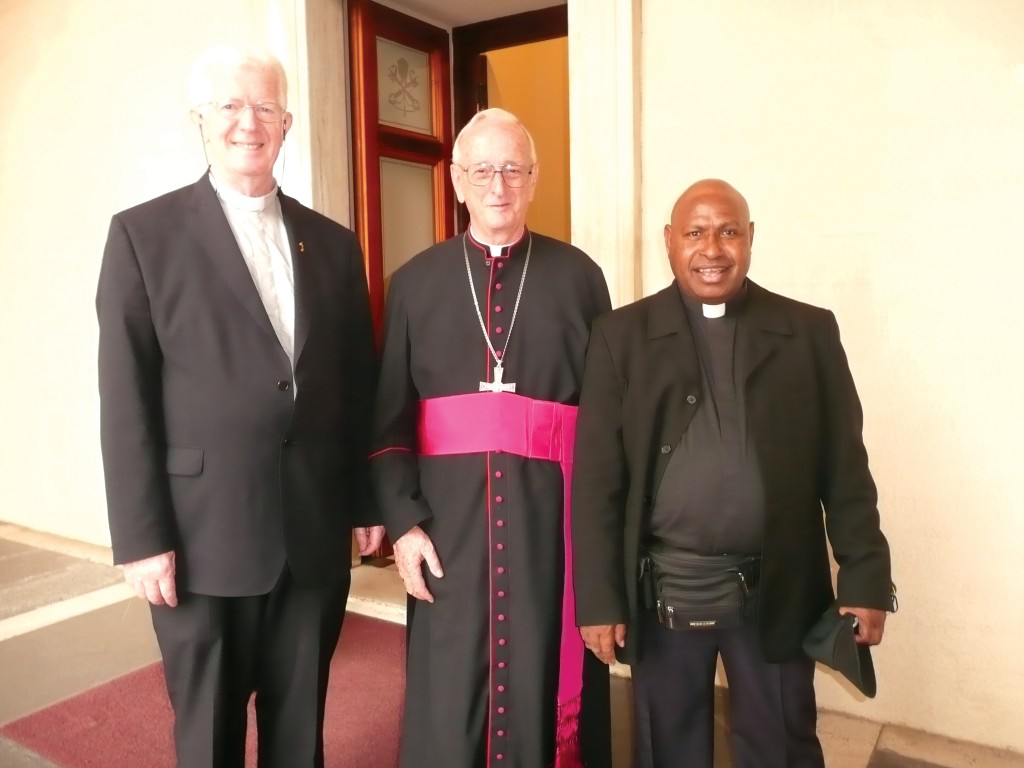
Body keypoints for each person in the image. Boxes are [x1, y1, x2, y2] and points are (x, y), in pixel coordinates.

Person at [96, 45, 382, 768]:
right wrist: (139, 537)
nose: (246, 122)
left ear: (286, 122)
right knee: (209, 736)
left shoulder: (337, 246)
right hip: (201, 539)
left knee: (298, 734)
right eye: (229, 105)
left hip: (311, 534)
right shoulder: (143, 236)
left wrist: (365, 499)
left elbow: (355, 388)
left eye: (263, 107)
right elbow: (124, 395)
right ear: (200, 120)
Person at [571, 179, 894, 767]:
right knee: (667, 749)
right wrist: (598, 599)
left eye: (728, 231)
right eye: (695, 233)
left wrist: (866, 581)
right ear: (669, 241)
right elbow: (597, 483)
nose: (712, 248)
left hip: (777, 588)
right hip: (662, 589)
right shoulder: (620, 337)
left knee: (781, 747)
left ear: (750, 239)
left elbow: (846, 468)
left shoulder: (808, 332)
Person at [371, 108, 613, 768]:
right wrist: (404, 526)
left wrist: (599, 544)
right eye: (481, 169)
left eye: (512, 169)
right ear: (455, 180)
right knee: (449, 700)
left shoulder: (580, 278)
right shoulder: (414, 283)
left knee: (544, 679)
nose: (497, 185)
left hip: (549, 535)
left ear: (534, 179)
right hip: (448, 534)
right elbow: (388, 423)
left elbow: (606, 424)